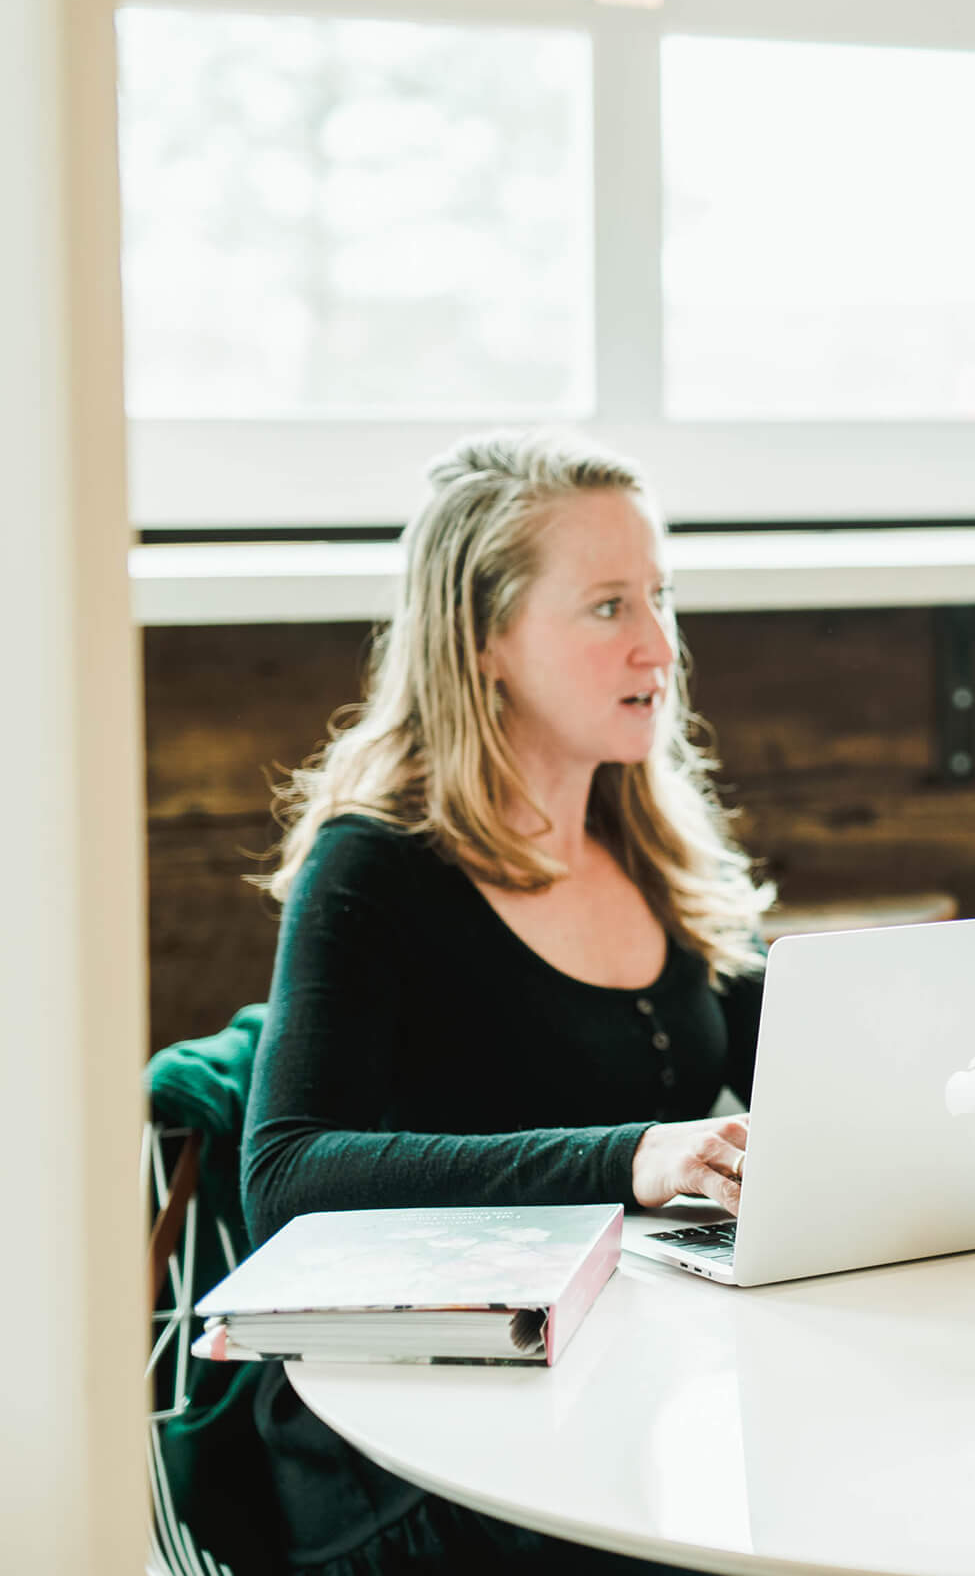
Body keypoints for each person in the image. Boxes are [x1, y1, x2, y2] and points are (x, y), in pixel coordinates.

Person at [242, 429, 767, 1574]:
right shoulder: (374, 864)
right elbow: (286, 1171)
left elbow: (823, 1066)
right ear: (484, 639)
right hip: (414, 1449)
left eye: (663, 598)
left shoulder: (657, 850)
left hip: (614, 1401)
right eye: (607, 607)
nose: (659, 647)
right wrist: (630, 1154)